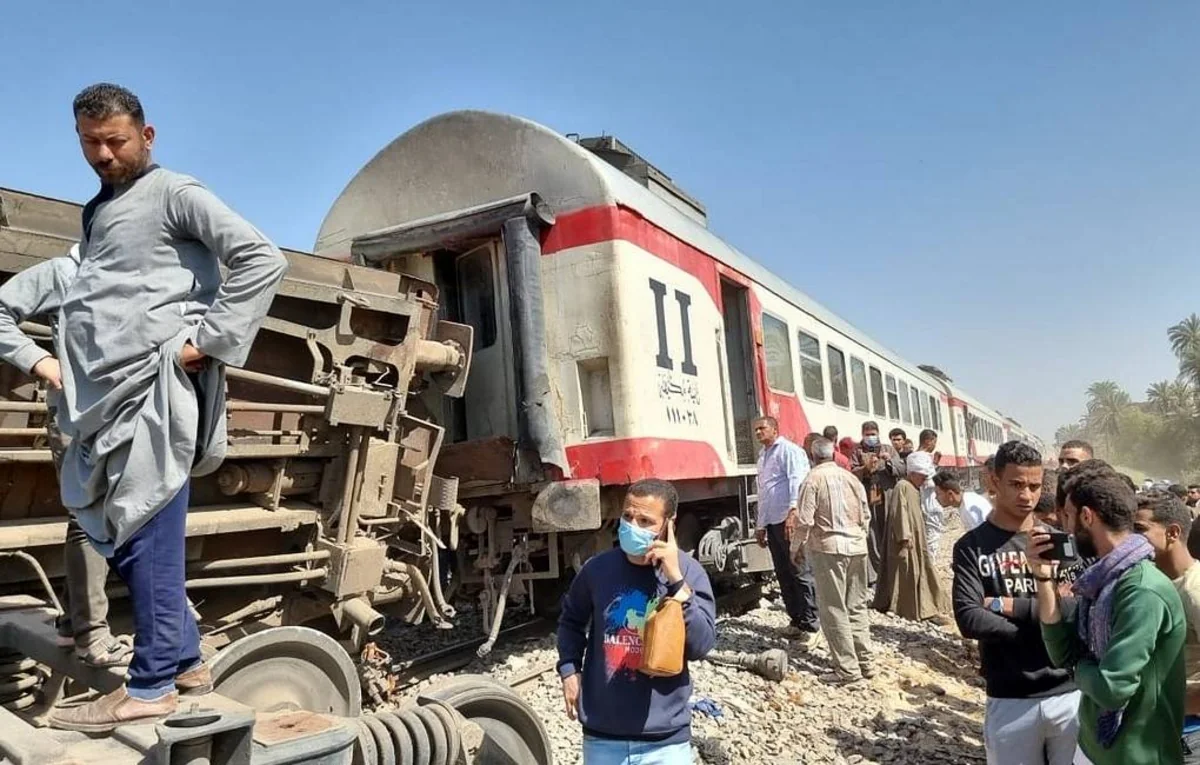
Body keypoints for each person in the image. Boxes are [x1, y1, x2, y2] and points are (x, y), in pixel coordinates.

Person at [0, 84, 288, 731]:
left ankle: (152, 685)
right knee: (125, 536)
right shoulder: (99, 211)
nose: (103, 154)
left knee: (146, 534)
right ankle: (186, 661)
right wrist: (52, 363)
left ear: (147, 136)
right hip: (103, 402)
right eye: (90, 143)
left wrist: (204, 343)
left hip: (154, 395)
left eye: (116, 141)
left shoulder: (175, 193)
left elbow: (260, 259)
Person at [1033, 463, 1186, 765]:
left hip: (1135, 755)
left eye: (1067, 516)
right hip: (1093, 746)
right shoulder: (1099, 580)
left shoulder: (1142, 590)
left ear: (1086, 516)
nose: (1064, 528)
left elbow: (1111, 689)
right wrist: (1043, 579)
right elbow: (1061, 652)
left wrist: (1076, 668)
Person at [557, 479, 717, 764]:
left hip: (666, 742)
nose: (633, 526)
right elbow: (571, 621)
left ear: (668, 524)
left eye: (645, 521)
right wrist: (569, 670)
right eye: (628, 516)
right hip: (603, 738)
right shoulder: (597, 570)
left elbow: (701, 645)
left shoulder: (688, 572)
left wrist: (676, 582)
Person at [952, 441, 1080, 765]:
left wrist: (1001, 606)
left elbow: (1075, 609)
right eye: (1017, 484)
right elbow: (970, 618)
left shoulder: (1058, 542)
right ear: (994, 481)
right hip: (1010, 696)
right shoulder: (972, 546)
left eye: (1034, 486)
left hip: (1068, 694)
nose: (1027, 495)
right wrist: (1048, 627)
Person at [792, 438, 874, 684]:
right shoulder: (851, 479)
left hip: (829, 549)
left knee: (833, 608)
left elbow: (805, 520)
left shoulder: (812, 480)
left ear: (812, 456)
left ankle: (847, 670)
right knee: (856, 605)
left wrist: (796, 548)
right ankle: (866, 662)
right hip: (857, 547)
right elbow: (866, 515)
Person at [1133, 490, 1200, 762]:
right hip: (1154, 730)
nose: (1130, 538)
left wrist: (1168, 700)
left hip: (1189, 735)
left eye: (1139, 529)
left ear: (1172, 533)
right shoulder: (1149, 583)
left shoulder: (1194, 591)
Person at [752, 416, 819, 643]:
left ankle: (812, 624)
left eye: (762, 428)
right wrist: (761, 525)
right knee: (783, 572)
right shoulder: (763, 456)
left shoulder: (789, 451)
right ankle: (796, 620)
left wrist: (793, 512)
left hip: (787, 520)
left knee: (800, 570)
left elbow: (796, 481)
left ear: (774, 429)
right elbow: (764, 492)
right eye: (756, 429)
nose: (758, 432)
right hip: (773, 521)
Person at [873, 451, 948, 622]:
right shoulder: (902, 486)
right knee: (905, 572)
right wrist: (905, 537)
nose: (924, 480)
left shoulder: (913, 488)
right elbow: (899, 513)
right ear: (912, 473)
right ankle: (902, 606)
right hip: (905, 539)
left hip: (915, 535)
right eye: (922, 476)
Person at [851, 421, 905, 583]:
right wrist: (865, 468)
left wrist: (888, 462)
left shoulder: (888, 449)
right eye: (867, 434)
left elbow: (902, 469)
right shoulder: (857, 451)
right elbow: (851, 472)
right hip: (868, 497)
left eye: (873, 434)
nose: (870, 437)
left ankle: (892, 571)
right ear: (862, 435)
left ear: (878, 434)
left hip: (887, 496)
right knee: (871, 534)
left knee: (890, 530)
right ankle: (875, 575)